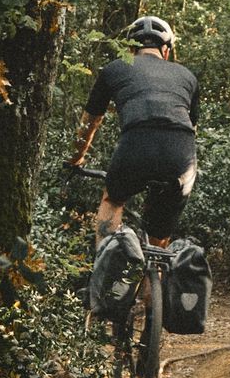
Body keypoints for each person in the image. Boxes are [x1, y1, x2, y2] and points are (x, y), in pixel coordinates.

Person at [69, 14, 199, 246]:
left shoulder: (114, 69)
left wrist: (75, 159)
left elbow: (90, 122)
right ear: (166, 50)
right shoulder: (187, 76)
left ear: (129, 48)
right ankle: (155, 276)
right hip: (181, 154)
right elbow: (192, 129)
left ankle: (105, 268)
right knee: (159, 239)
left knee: (113, 201)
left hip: (137, 144)